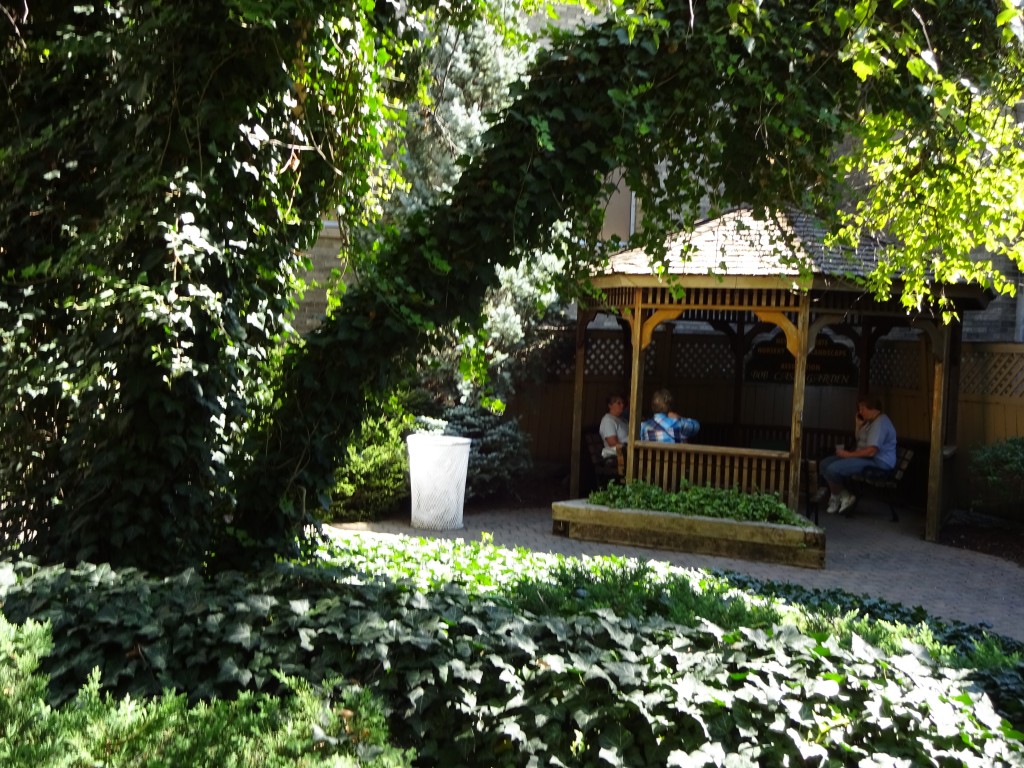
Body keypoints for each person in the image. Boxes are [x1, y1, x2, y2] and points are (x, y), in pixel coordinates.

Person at [818, 394, 898, 514]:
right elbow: (859, 439)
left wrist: (847, 455)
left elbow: (871, 451)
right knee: (824, 464)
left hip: (878, 462)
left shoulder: (880, 423)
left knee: (832, 469)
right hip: (867, 458)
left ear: (873, 409)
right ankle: (843, 496)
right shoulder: (870, 422)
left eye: (863, 408)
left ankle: (838, 497)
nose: (860, 411)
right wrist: (858, 425)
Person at [599, 393, 629, 459]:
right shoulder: (608, 420)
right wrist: (628, 449)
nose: (622, 405)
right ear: (610, 405)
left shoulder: (623, 420)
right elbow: (612, 442)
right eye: (619, 403)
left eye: (622, 403)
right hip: (618, 456)